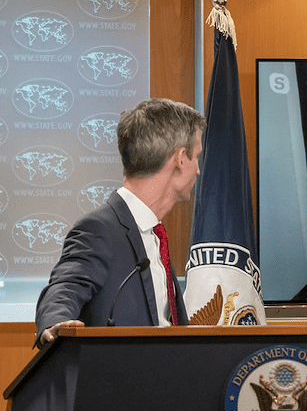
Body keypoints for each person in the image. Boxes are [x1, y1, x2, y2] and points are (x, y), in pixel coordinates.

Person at [35, 98, 207, 347]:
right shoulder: (99, 229)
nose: (198, 170)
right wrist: (55, 323)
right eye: (197, 157)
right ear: (181, 158)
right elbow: (64, 287)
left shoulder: (155, 232)